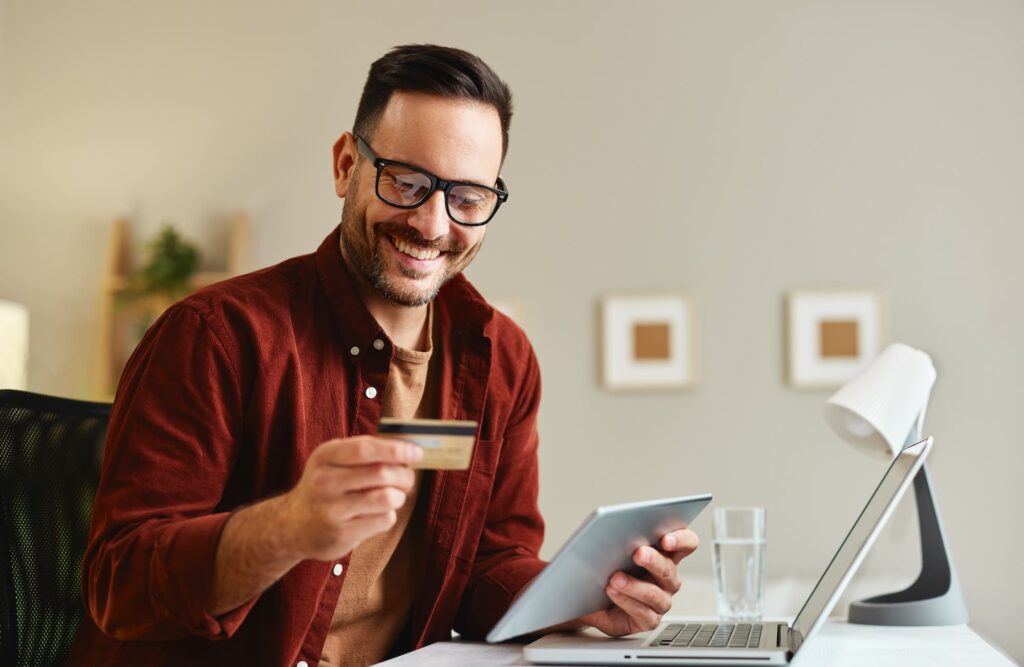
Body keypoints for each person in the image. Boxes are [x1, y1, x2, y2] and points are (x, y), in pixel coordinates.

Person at [69, 44, 699, 666]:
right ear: (347, 165)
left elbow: (485, 568)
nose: (432, 223)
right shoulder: (214, 336)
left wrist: (583, 597)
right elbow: (120, 585)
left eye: (469, 198)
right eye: (406, 182)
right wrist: (288, 527)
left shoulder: (501, 359)